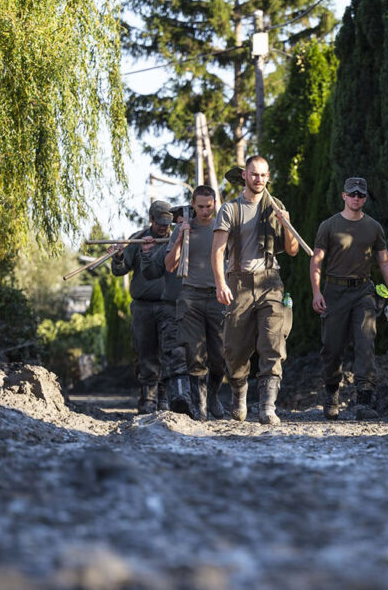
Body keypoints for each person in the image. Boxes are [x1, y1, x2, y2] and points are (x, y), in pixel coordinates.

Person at [211, 156, 298, 424]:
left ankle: (267, 407)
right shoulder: (230, 210)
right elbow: (218, 250)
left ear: (268, 177)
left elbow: (293, 250)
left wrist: (287, 225)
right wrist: (220, 283)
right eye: (253, 174)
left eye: (263, 175)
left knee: (273, 342)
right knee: (234, 350)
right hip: (238, 282)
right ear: (245, 176)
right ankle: (239, 392)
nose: (258, 179)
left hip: (270, 281)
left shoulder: (276, 207)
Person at [309, 177, 388, 420]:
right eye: (353, 194)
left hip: (363, 292)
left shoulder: (374, 227)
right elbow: (317, 260)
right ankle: (331, 395)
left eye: (361, 194)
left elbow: (384, 261)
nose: (356, 198)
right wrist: (317, 292)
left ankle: (364, 400)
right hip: (334, 292)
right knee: (332, 347)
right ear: (344, 196)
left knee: (365, 341)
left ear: (365, 198)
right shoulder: (328, 225)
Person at [109, 200, 193, 416]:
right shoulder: (138, 239)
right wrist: (118, 256)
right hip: (143, 307)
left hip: (170, 305)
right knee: (145, 351)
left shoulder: (177, 238)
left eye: (168, 223)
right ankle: (148, 398)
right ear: (151, 220)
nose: (164, 228)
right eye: (160, 224)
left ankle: (164, 398)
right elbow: (120, 270)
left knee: (171, 351)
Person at [163, 186, 227, 420]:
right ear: (192, 204)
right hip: (191, 295)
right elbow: (169, 265)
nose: (204, 211)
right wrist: (180, 236)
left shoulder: (221, 227)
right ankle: (199, 407)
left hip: (218, 296)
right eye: (199, 206)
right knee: (195, 353)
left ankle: (213, 395)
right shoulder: (183, 229)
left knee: (220, 356)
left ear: (214, 203)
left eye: (208, 206)